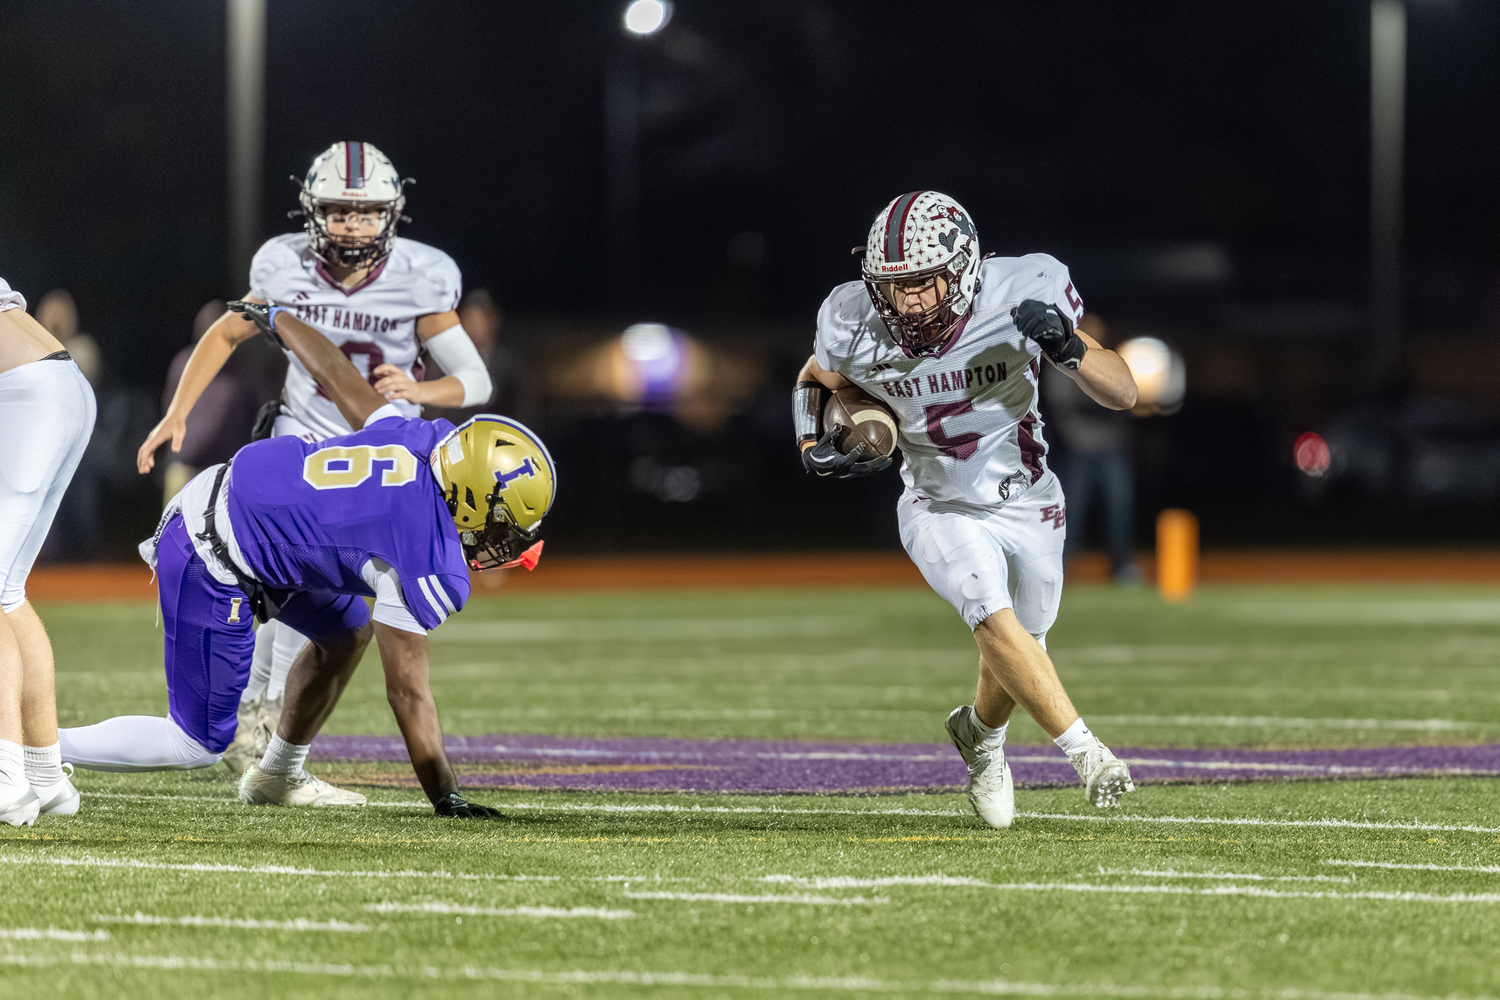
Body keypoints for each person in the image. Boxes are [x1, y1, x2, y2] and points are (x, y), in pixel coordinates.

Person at [61, 301, 550, 816]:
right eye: (504, 524)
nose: (507, 540)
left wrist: (278, 318)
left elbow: (336, 373)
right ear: (471, 500)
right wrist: (445, 794)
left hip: (245, 504)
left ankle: (277, 774)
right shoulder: (426, 551)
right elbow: (408, 692)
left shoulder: (418, 441)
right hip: (216, 546)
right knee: (195, 743)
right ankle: (32, 749)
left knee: (347, 631)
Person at [136, 142, 495, 775]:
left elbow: (475, 380)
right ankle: (256, 712)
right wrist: (178, 410)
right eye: (337, 212)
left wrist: (422, 389)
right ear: (312, 211)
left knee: (334, 605)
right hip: (303, 442)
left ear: (392, 214)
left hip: (383, 457)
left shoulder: (421, 276)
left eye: (365, 213)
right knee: (273, 578)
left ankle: (268, 719)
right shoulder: (286, 265)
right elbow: (225, 330)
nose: (352, 226)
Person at [794, 191, 1140, 829]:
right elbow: (820, 375)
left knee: (1022, 648)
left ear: (964, 268)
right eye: (896, 288)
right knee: (988, 610)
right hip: (935, 500)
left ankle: (980, 737)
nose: (911, 303)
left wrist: (1068, 348)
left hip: (1030, 497)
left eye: (925, 284)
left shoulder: (1021, 292)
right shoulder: (852, 319)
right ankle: (1087, 753)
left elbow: (1124, 391)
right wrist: (814, 437)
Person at [0, 278, 97, 825]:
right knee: (7, 590)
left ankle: (5, 778)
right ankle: (43, 773)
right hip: (58, 383)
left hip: (23, 390)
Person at [1041, 314, 1138, 582]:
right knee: (1068, 514)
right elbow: (1065, 404)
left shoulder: (1109, 360)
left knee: (1119, 511)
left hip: (1111, 449)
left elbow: (1129, 395)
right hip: (1078, 449)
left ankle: (1122, 567)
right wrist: (1103, 404)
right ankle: (1061, 568)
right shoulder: (1062, 357)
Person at [159, 300, 262, 504]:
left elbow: (253, 421)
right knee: (174, 529)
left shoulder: (240, 374)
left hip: (221, 474)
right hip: (183, 468)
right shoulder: (184, 365)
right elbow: (168, 411)